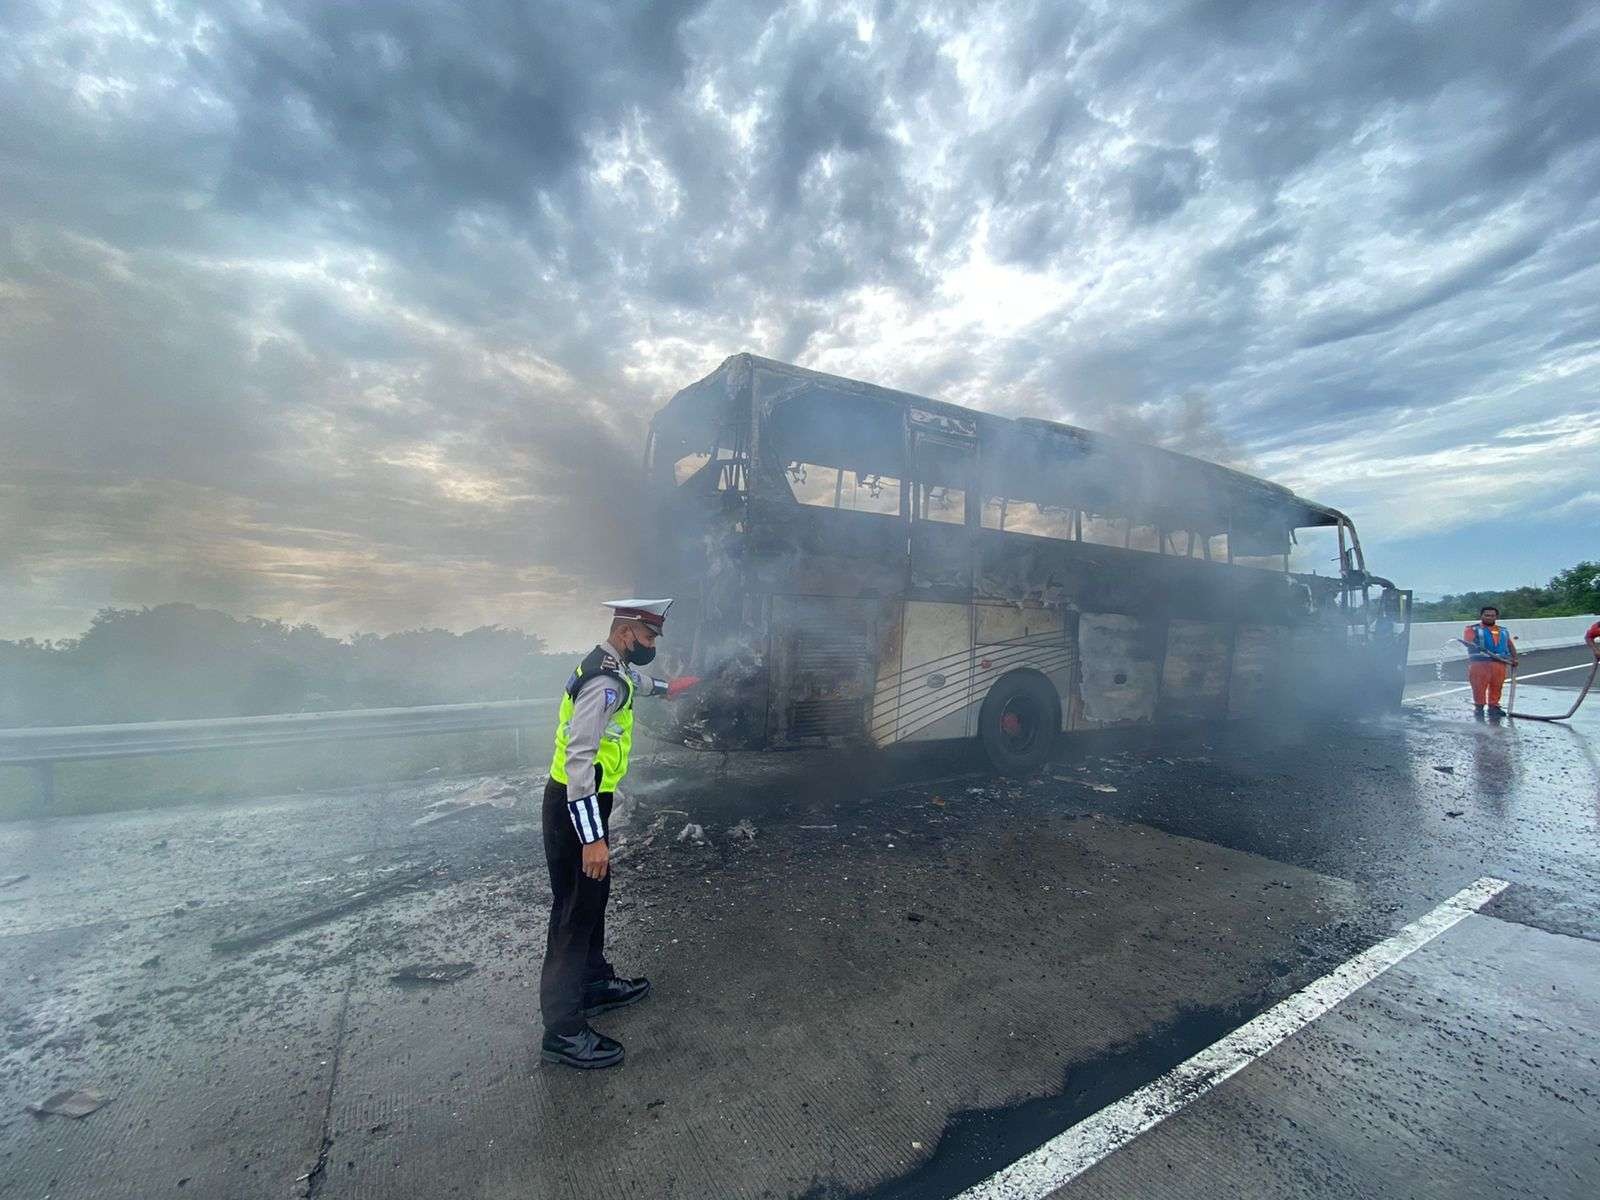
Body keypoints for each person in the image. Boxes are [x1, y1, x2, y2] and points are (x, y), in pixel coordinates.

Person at [539, 598, 697, 1069]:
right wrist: (592, 837)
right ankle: (563, 1030)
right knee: (572, 914)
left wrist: (670, 688)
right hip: (575, 802)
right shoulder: (604, 680)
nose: (652, 646)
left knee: (593, 898)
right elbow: (579, 759)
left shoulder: (611, 665)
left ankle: (592, 982)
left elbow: (636, 684)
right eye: (649, 638)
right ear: (628, 631)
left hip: (584, 800)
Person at [1463, 605, 1518, 719]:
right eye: (1486, 615)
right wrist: (1476, 646)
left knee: (1497, 686)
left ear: (1496, 617)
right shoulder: (1472, 629)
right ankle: (1479, 708)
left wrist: (1514, 658)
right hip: (1480, 663)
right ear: (1481, 616)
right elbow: (1467, 641)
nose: (1489, 617)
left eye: (1492, 615)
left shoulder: (1503, 631)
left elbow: (1510, 645)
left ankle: (1494, 707)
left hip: (1499, 663)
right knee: (1478, 686)